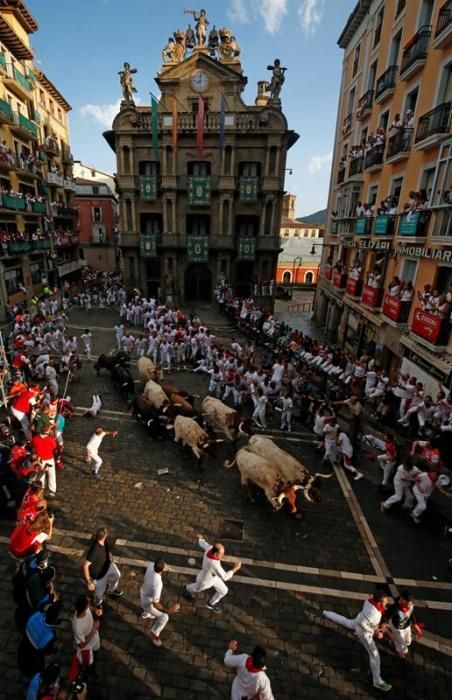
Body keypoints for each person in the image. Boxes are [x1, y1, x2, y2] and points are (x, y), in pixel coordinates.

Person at [323, 590, 392, 692]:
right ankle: (377, 681)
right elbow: (363, 624)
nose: (387, 603)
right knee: (374, 655)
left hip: (359, 620)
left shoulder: (370, 601)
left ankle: (326, 613)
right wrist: (375, 632)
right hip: (364, 632)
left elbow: (366, 619)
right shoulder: (373, 613)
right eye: (385, 602)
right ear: (378, 602)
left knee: (346, 621)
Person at [183, 534, 242, 613]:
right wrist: (236, 568)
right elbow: (225, 577)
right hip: (205, 581)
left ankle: (211, 603)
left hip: (214, 577)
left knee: (224, 590)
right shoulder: (213, 564)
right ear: (216, 554)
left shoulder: (210, 549)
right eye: (222, 554)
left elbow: (203, 544)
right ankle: (187, 588)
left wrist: (200, 539)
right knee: (196, 588)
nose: (223, 555)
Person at [140, 559, 181, 647]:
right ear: (163, 569)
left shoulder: (150, 565)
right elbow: (156, 603)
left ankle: (146, 614)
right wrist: (168, 610)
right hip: (148, 601)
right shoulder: (158, 583)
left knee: (148, 608)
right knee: (164, 617)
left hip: (143, 592)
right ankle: (154, 632)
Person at [82, 527, 123, 608]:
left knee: (117, 575)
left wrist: (110, 556)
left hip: (108, 565)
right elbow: (85, 566)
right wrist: (89, 581)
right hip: (99, 576)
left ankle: (111, 590)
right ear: (104, 536)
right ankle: (98, 604)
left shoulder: (106, 541)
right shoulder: (95, 550)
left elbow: (108, 551)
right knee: (99, 593)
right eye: (106, 533)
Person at [383, 591, 419, 658]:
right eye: (407, 604)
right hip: (397, 629)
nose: (409, 606)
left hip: (406, 626)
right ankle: (399, 653)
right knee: (403, 648)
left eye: (410, 604)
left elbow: (411, 614)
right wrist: (386, 626)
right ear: (402, 600)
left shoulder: (410, 606)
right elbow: (386, 617)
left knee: (408, 642)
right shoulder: (395, 608)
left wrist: (415, 625)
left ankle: (396, 643)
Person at [72, 594, 101, 668]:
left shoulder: (82, 609)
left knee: (96, 653)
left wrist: (95, 610)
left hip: (94, 638)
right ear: (84, 606)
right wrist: (94, 629)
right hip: (88, 647)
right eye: (88, 603)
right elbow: (81, 645)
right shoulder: (77, 626)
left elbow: (89, 608)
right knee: (89, 663)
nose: (89, 604)